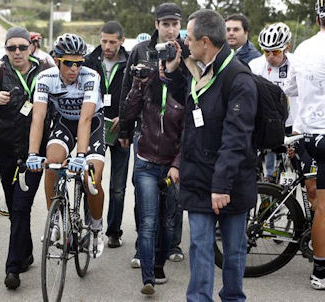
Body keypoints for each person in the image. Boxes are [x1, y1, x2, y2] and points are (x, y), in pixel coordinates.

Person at [168, 9, 258, 301]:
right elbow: (192, 107)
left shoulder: (238, 78)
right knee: (200, 247)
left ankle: (232, 298)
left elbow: (236, 139)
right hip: (198, 177)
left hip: (230, 181)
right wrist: (172, 73)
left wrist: (221, 185)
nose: (184, 43)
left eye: (189, 38)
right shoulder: (197, 68)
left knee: (233, 252)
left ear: (205, 41)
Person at [0, 26, 50, 290]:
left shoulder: (45, 70)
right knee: (16, 209)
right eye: (11, 48)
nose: (17, 52)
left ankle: (12, 268)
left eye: (22, 47)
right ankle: (26, 253)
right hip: (6, 148)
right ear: (5, 50)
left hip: (34, 150)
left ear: (31, 47)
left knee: (20, 207)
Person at [119, 1, 188, 268]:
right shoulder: (140, 50)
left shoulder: (188, 50)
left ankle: (172, 243)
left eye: (175, 24)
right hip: (145, 130)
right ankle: (143, 246)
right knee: (143, 192)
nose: (171, 30)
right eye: (166, 24)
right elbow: (128, 89)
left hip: (177, 130)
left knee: (174, 192)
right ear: (156, 25)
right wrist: (125, 129)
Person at [27, 33, 106, 258]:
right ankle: (55, 222)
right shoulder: (45, 78)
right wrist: (33, 154)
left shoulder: (91, 76)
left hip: (92, 124)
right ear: (57, 60)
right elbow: (39, 118)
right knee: (52, 162)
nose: (75, 69)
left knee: (92, 179)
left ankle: (96, 227)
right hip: (64, 122)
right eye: (69, 63)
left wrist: (81, 155)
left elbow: (85, 119)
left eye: (79, 63)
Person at [122, 50, 185, 294]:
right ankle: (148, 278)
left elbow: (188, 133)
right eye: (161, 62)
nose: (163, 67)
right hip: (146, 163)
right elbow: (127, 114)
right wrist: (138, 83)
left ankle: (159, 265)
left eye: (169, 62)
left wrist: (177, 165)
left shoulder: (183, 89)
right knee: (148, 222)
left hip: (171, 166)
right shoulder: (147, 86)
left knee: (168, 221)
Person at [285, 0, 325, 289]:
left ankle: (319, 272)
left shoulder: (305, 47)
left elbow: (292, 87)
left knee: (321, 207)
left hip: (310, 135)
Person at [84, 21, 130, 248]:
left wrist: (126, 116)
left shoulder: (131, 61)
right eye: (104, 41)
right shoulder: (90, 61)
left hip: (121, 129)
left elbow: (137, 92)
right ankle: (90, 226)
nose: (107, 45)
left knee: (118, 187)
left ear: (122, 40)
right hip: (96, 127)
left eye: (112, 41)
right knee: (92, 180)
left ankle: (114, 231)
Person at [249, 22, 295, 182]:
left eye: (275, 52)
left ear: (287, 47)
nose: (270, 56)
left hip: (292, 124)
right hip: (267, 124)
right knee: (269, 175)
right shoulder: (255, 65)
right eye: (266, 51)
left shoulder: (297, 64)